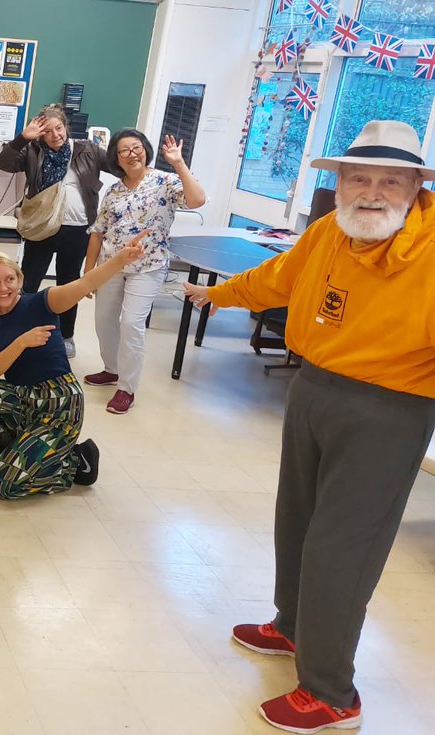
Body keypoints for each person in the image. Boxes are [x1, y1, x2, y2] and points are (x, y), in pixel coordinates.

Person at [183, 120, 435, 735]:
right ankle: (293, 625)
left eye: (389, 180)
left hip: (390, 408)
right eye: (358, 177)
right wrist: (218, 297)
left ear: (414, 188)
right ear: (338, 182)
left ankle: (332, 696)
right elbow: (276, 280)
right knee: (295, 519)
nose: (371, 191)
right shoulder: (328, 232)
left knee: (341, 547)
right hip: (314, 387)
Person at [0, 237, 144, 499]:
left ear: (19, 279)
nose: (3, 287)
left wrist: (120, 260)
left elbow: (84, 283)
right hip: (24, 397)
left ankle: (74, 461)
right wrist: (21, 342)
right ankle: (9, 446)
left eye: (9, 279)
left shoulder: (43, 301)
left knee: (1, 485)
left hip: (60, 404)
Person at [82, 129, 205, 414]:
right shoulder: (113, 191)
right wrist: (89, 273)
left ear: (146, 150)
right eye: (124, 150)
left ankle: (126, 388)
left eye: (137, 147)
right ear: (116, 158)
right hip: (111, 265)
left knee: (131, 325)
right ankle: (111, 369)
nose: (132, 153)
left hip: (148, 267)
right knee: (104, 322)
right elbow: (97, 233)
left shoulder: (166, 181)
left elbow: (197, 200)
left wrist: (179, 163)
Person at [0, 103, 113, 358]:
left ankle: (66, 335)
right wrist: (22, 138)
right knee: (29, 280)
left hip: (78, 230)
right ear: (40, 133)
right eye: (47, 131)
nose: (55, 135)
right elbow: (3, 163)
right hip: (42, 226)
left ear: (66, 127)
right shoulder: (33, 150)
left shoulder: (87, 150)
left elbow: (117, 164)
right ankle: (16, 328)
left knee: (69, 284)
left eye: (58, 128)